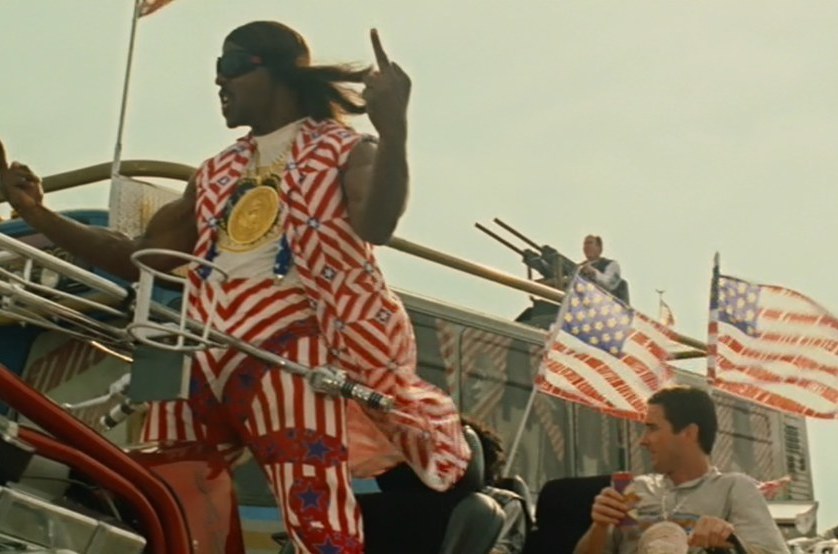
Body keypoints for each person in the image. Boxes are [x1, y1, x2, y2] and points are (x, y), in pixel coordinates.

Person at [0, 21, 471, 553]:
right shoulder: (215, 172)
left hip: (290, 350)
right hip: (200, 353)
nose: (218, 82)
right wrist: (35, 212)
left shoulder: (347, 149)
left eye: (228, 67)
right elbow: (140, 257)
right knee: (166, 499)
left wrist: (394, 130)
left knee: (313, 510)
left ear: (275, 70)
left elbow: (377, 224)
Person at [573, 386, 788, 554]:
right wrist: (600, 526)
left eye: (653, 428)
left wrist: (729, 542)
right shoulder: (634, 490)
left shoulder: (732, 488)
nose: (643, 441)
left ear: (689, 433)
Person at [578, 235, 630, 304]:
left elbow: (609, 283)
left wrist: (594, 272)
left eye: (590, 243)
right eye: (585, 244)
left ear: (599, 248)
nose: (587, 246)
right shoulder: (579, 268)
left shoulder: (611, 264)